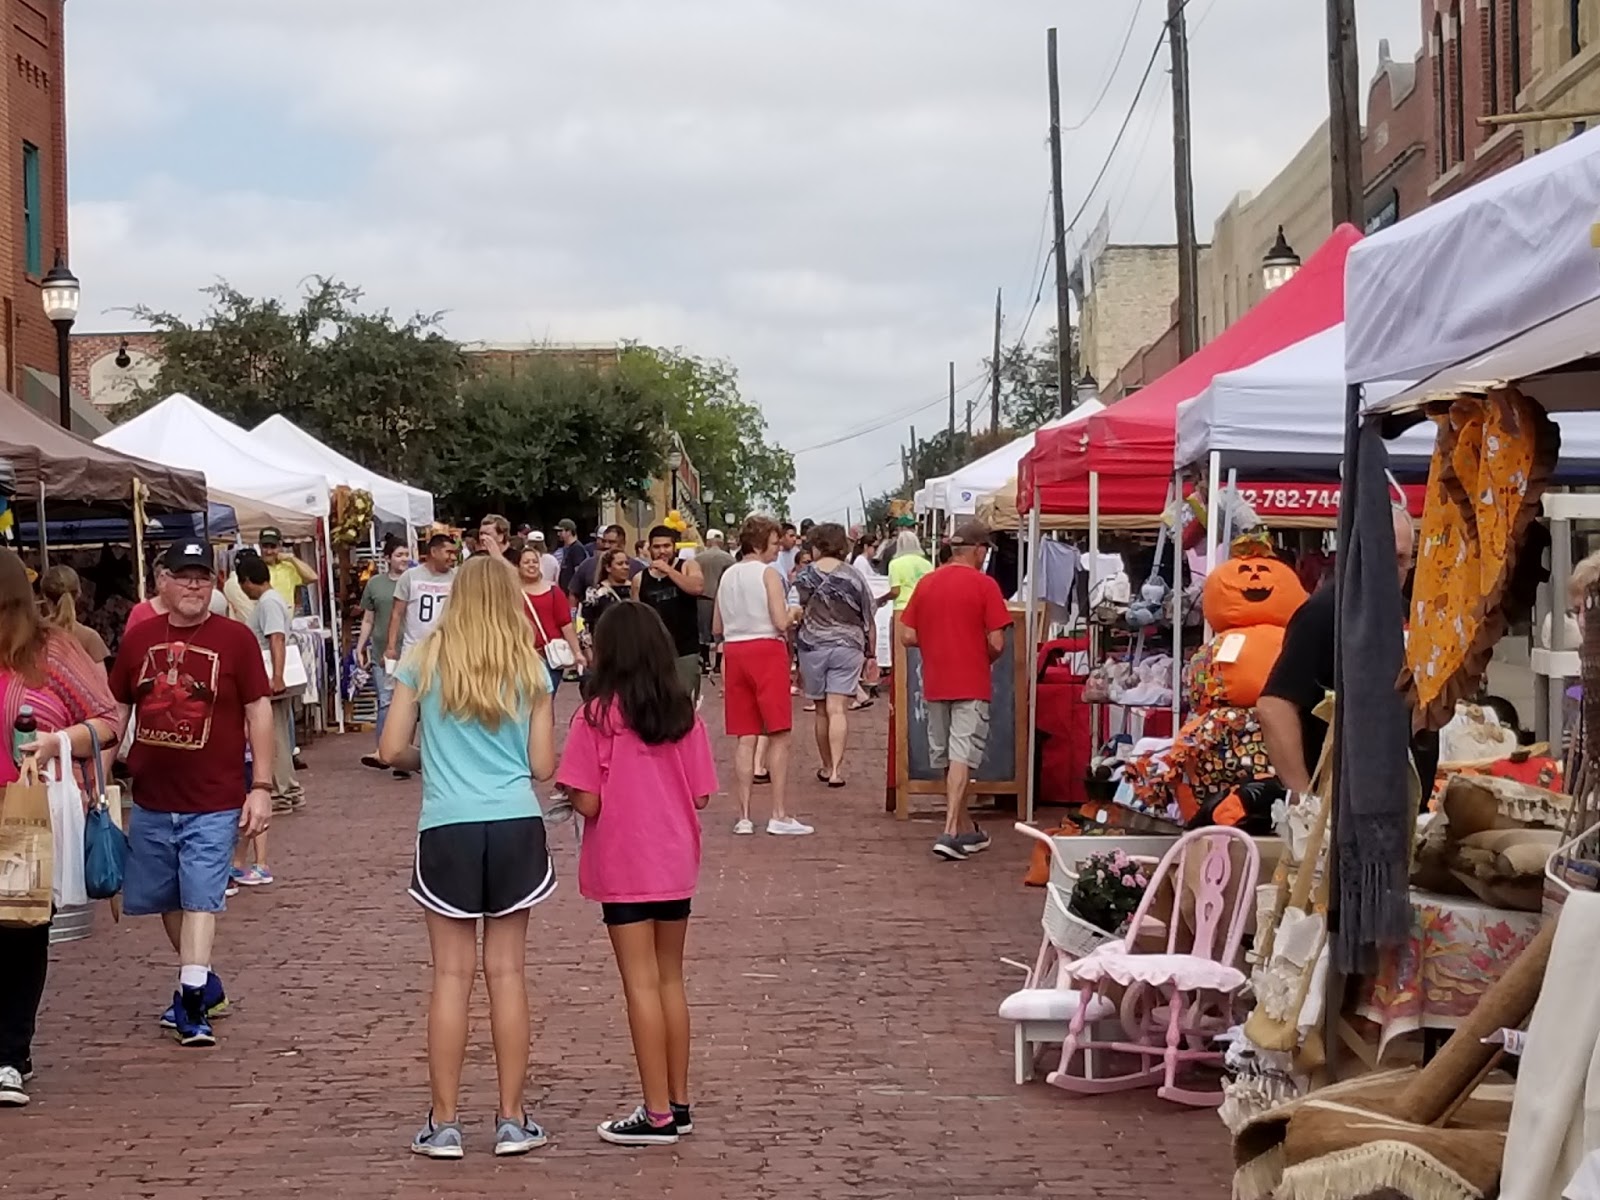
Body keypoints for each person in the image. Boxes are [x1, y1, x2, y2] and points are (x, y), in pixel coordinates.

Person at [378, 555, 557, 1159]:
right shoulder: (529, 666)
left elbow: (390, 747)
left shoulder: (423, 660)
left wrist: (432, 760)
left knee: (450, 977)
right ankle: (511, 1118)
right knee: (506, 973)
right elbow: (541, 766)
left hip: (448, 824)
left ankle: (445, 1122)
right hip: (513, 821)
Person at [557, 601, 717, 1146]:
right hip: (675, 859)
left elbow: (587, 802)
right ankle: (679, 1100)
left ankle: (656, 1114)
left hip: (625, 861)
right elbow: (700, 794)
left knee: (640, 984)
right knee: (671, 979)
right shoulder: (682, 712)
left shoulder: (596, 716)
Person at [109, 540, 274, 1047]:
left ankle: (192, 998)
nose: (194, 585)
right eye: (183, 576)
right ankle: (204, 978)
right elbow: (119, 708)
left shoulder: (237, 639)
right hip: (154, 795)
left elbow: (258, 710)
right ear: (162, 581)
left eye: (202, 576)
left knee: (202, 894)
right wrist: (99, 769)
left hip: (215, 795)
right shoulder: (139, 640)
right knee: (169, 899)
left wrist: (262, 785)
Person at [0, 550, 121, 1106]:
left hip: (24, 808)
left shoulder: (50, 650)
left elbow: (109, 719)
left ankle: (10, 1053)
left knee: (20, 930)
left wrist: (58, 741)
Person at [1259, 506, 1438, 794]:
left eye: (1403, 559)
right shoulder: (1325, 613)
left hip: (1403, 803)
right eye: (1384, 556)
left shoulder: (1406, 613)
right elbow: (1275, 706)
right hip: (1344, 805)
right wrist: (1304, 796)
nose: (1394, 569)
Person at [900, 520, 1010, 861]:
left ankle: (965, 828)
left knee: (947, 755)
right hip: (971, 679)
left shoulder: (927, 583)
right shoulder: (984, 585)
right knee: (963, 753)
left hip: (935, 679)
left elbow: (906, 635)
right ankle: (950, 831)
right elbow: (997, 641)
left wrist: (934, 641)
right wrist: (982, 653)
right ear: (978, 550)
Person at [715, 515, 809, 836]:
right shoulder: (768, 573)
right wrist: (794, 612)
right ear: (758, 544)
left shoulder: (728, 575)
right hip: (766, 649)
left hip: (735, 649)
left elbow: (716, 626)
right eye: (772, 544)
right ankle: (778, 813)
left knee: (745, 734)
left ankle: (743, 815)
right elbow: (781, 621)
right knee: (779, 732)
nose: (776, 550)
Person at [792, 524, 876, 787]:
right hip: (847, 645)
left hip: (812, 645)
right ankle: (838, 770)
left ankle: (826, 765)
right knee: (837, 708)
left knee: (820, 709)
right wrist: (870, 652)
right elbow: (868, 616)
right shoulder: (854, 576)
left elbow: (793, 611)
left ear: (816, 545)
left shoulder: (804, 577)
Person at [236, 554, 303, 820]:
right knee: (277, 733)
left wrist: (277, 675)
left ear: (248, 582)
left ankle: (283, 789)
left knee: (273, 734)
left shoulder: (268, 603)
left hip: (269, 675)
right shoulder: (271, 601)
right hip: (269, 674)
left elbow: (276, 638)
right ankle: (287, 788)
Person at [631, 525, 705, 701]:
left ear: (674, 547)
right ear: (649, 549)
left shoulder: (687, 566)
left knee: (684, 701)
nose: (662, 551)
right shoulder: (640, 578)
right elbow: (636, 617)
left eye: (666, 546)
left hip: (684, 649)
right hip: (653, 653)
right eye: (657, 547)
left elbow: (697, 587)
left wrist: (669, 571)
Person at [355, 542, 411, 765]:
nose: (404, 559)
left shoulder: (415, 581)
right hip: (382, 651)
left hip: (410, 650)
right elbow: (368, 618)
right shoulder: (375, 584)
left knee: (410, 703)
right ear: (388, 558)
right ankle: (383, 750)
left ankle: (404, 750)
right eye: (399, 555)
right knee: (386, 701)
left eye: (406, 554)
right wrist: (360, 647)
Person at [516, 545, 585, 692]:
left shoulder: (554, 591)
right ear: (519, 566)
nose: (531, 565)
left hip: (549, 656)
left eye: (534, 561)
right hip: (523, 656)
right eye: (526, 562)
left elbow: (566, 624)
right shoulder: (513, 593)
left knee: (546, 701)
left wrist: (577, 652)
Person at [39, 565, 112, 677]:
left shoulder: (33, 635)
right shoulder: (90, 638)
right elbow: (101, 686)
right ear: (78, 594)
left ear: (44, 597)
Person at [579, 549, 633, 662]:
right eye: (620, 564)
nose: (625, 567)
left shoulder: (635, 589)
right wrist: (588, 652)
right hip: (606, 650)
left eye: (627, 563)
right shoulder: (596, 593)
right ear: (608, 568)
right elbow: (584, 623)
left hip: (633, 648)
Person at [695, 530, 735, 677]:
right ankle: (719, 664)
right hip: (722, 598)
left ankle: (705, 661)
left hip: (703, 597)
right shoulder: (729, 559)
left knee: (703, 632)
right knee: (720, 633)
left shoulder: (698, 558)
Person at [569, 524, 644, 602]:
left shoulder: (637, 567)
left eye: (612, 542)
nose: (606, 546)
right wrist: (573, 612)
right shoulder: (587, 565)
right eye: (604, 541)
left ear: (622, 544)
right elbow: (574, 593)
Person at [258, 528, 317, 611]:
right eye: (265, 547)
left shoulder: (288, 567)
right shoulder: (256, 567)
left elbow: (313, 577)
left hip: (286, 621)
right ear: (259, 546)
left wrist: (291, 558)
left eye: (273, 547)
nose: (269, 551)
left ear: (280, 546)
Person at [886, 530, 934, 613]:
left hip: (902, 607)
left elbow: (895, 591)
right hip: (924, 607)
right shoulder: (928, 564)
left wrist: (882, 599)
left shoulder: (895, 564)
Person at [554, 519, 590, 595]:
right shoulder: (568, 548)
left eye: (561, 531)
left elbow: (578, 572)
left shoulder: (577, 548)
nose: (558, 534)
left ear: (569, 532)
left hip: (572, 593)